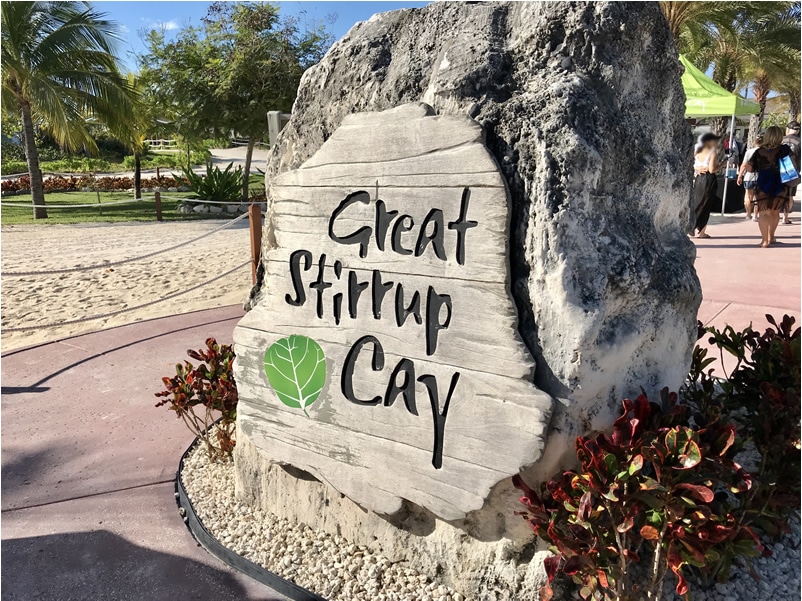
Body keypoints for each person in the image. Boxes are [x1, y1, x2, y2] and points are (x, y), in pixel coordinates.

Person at [744, 126, 796, 247]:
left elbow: (750, 168)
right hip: (780, 183)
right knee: (774, 212)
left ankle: (764, 240)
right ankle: (771, 236)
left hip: (763, 183)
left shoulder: (759, 151)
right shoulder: (785, 150)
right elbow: (793, 164)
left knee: (763, 213)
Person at [692, 132, 720, 238]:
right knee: (706, 204)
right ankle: (701, 231)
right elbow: (712, 169)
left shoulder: (697, 152)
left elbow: (692, 164)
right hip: (708, 179)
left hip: (699, 178)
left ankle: (692, 226)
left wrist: (697, 169)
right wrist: (722, 165)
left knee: (697, 202)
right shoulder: (712, 153)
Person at [737, 134, 762, 221]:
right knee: (758, 197)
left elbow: (744, 165)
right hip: (760, 177)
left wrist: (740, 176)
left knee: (748, 196)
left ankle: (748, 214)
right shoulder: (766, 152)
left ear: (755, 142)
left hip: (749, 176)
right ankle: (755, 215)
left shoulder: (749, 152)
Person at [781, 120, 800, 224]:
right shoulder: (800, 142)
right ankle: (785, 217)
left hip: (779, 170)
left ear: (788, 129)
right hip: (793, 172)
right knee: (790, 196)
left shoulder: (780, 140)